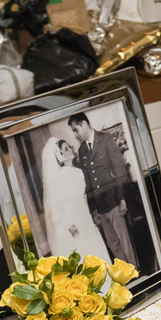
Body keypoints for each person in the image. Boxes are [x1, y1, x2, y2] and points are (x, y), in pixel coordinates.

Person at [68, 112, 139, 267]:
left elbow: (119, 170)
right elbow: (88, 183)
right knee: (113, 244)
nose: (76, 134)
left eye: (75, 129)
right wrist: (93, 209)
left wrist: (122, 199)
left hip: (114, 200)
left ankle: (136, 273)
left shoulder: (105, 139)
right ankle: (126, 275)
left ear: (84, 124)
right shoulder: (82, 151)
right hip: (100, 206)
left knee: (124, 240)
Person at [39, 136, 112, 264]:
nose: (70, 150)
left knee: (95, 250)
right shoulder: (59, 179)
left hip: (85, 218)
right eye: (66, 149)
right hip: (72, 223)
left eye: (69, 147)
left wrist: (91, 215)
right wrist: (68, 225)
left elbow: (84, 197)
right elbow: (56, 205)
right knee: (82, 256)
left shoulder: (79, 172)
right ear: (60, 156)